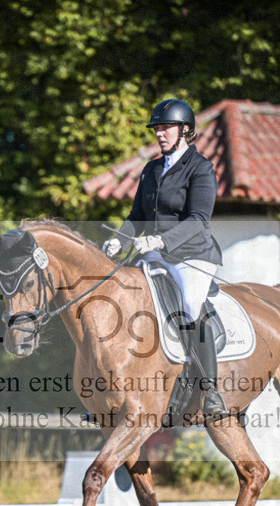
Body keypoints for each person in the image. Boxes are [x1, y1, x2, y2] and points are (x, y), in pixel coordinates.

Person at [102, 98, 227, 420]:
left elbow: (198, 219)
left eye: (166, 128)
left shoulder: (201, 168)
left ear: (185, 130)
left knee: (191, 306)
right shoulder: (151, 169)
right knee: (120, 297)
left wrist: (160, 240)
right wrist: (118, 241)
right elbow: (137, 216)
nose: (159, 134)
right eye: (157, 129)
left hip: (192, 255)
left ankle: (210, 390)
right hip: (154, 254)